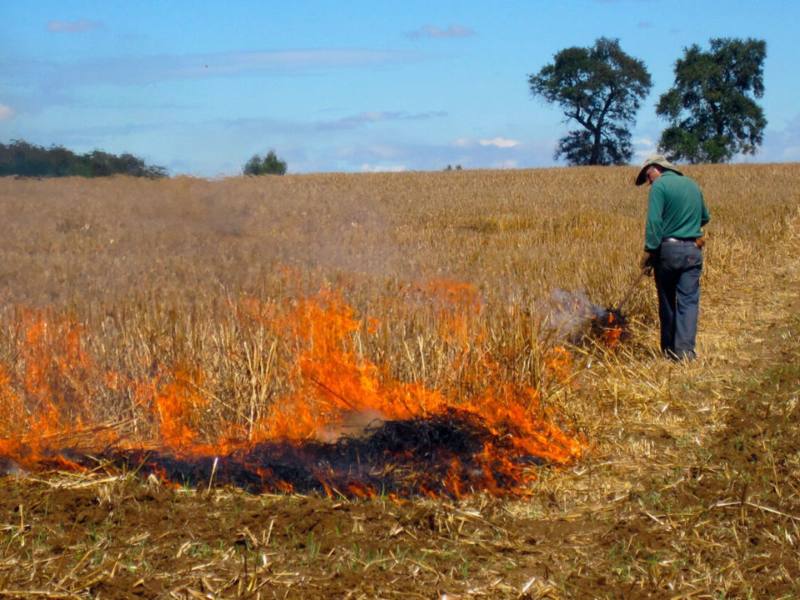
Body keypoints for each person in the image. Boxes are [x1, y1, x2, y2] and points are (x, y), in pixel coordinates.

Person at [635, 154, 710, 361]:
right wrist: (687, 227)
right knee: (689, 301)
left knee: (667, 300)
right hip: (693, 251)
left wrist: (650, 251)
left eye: (648, 176)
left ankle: (669, 351)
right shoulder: (692, 184)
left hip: (668, 251)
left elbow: (654, 223)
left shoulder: (659, 187)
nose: (649, 181)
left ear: (656, 168)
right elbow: (705, 217)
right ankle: (685, 352)